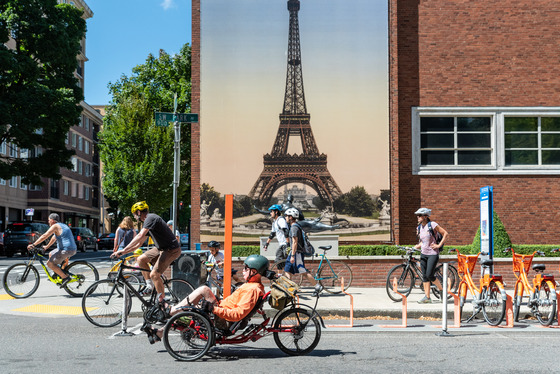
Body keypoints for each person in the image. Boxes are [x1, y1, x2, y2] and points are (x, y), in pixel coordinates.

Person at [143, 254, 268, 344]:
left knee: (204, 290)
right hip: (222, 311)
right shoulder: (251, 285)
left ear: (254, 272)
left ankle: (170, 311)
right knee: (191, 309)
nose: (243, 270)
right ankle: (160, 332)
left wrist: (214, 309)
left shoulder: (253, 290)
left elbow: (238, 314)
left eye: (246, 268)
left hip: (224, 320)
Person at [111, 201, 181, 302]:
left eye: (134, 214)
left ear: (139, 212)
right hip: (161, 248)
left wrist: (124, 249)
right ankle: (149, 285)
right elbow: (139, 243)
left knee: (154, 274)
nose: (134, 217)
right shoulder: (148, 222)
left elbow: (139, 236)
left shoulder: (151, 218)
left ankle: (163, 302)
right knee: (141, 259)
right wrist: (123, 252)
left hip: (171, 249)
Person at [27, 213, 77, 288]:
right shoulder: (61, 225)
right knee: (51, 254)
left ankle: (65, 278)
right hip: (69, 249)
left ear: (52, 220)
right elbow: (54, 238)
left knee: (49, 264)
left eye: (49, 220)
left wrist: (33, 245)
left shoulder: (55, 226)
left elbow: (45, 235)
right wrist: (46, 246)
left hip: (66, 250)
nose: (48, 222)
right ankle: (57, 273)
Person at [414, 207, 449, 304]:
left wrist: (438, 245)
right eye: (417, 215)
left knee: (429, 275)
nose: (418, 217)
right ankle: (427, 297)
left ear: (425, 216)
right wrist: (415, 247)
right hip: (423, 254)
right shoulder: (419, 227)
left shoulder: (432, 225)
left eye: (420, 215)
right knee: (424, 276)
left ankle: (442, 290)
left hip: (433, 254)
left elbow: (445, 233)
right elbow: (423, 242)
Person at [283, 208, 317, 286]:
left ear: (291, 217)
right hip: (294, 252)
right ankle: (288, 289)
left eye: (286, 216)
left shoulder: (294, 227)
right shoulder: (295, 226)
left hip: (297, 254)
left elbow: (295, 242)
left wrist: (292, 255)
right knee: (287, 270)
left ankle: (317, 286)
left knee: (303, 272)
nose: (285, 218)